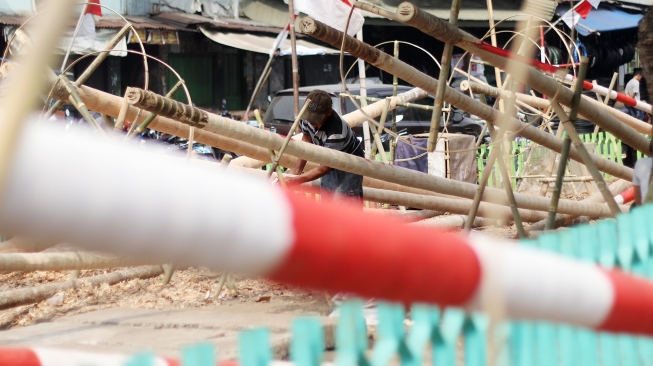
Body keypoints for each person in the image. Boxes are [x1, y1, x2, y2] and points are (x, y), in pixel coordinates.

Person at [284, 89, 364, 204]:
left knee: (345, 202)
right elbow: (307, 140)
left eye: (316, 119)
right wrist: (298, 169)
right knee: (328, 198)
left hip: (349, 165)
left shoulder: (336, 132)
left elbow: (326, 167)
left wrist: (299, 179)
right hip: (328, 159)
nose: (312, 123)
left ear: (329, 112)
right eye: (310, 118)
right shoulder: (305, 116)